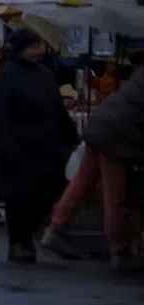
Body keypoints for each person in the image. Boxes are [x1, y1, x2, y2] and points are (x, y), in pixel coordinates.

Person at [0, 29, 78, 264]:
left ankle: (31, 235)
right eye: (32, 47)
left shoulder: (45, 75)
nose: (38, 51)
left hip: (46, 148)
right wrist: (7, 147)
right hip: (17, 148)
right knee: (18, 200)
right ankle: (19, 242)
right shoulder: (3, 77)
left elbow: (57, 109)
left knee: (49, 194)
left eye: (39, 46)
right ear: (19, 49)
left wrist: (72, 137)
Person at [41, 61, 144, 270]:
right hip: (118, 135)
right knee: (116, 194)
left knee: (83, 182)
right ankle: (120, 249)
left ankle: (55, 230)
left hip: (103, 125)